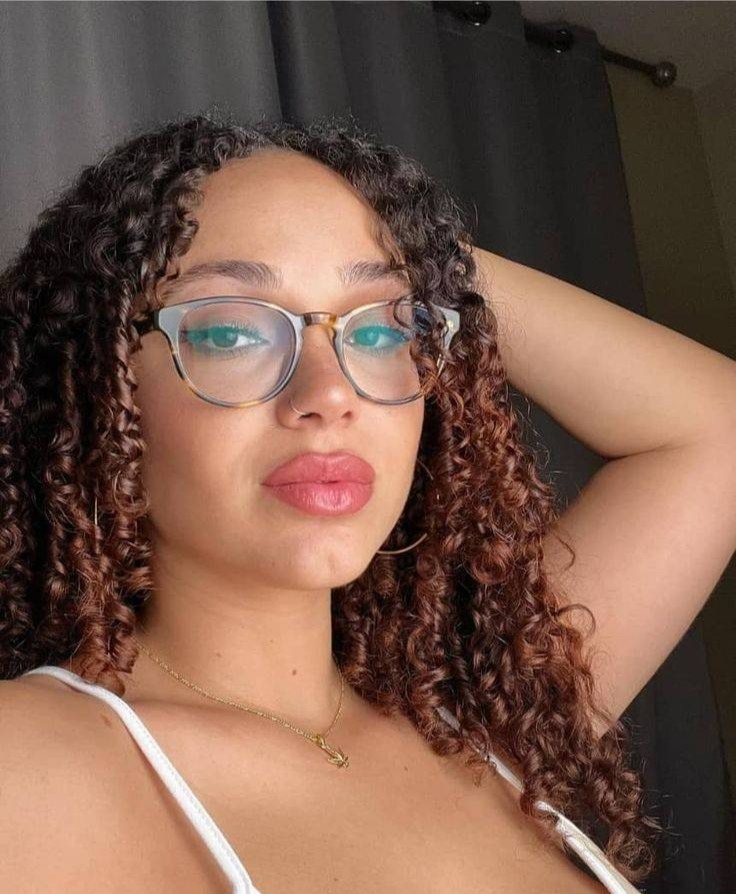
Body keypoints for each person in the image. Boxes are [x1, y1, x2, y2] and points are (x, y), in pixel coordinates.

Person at [2, 109, 735, 892]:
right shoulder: (30, 761)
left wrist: (422, 252)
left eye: (382, 330)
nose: (331, 393)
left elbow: (715, 426)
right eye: (231, 333)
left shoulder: (491, 716)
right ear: (93, 387)